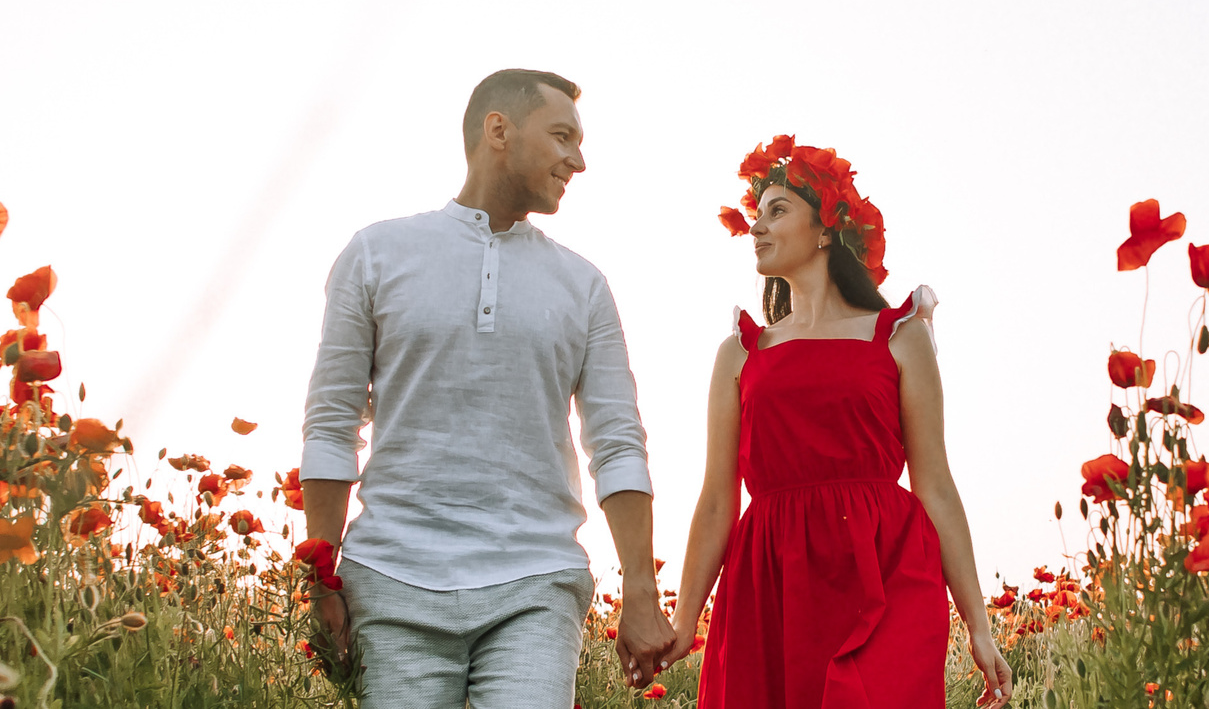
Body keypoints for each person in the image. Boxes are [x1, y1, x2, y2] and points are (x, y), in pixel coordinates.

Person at [298, 68, 678, 706]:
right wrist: (322, 579)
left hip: (535, 583)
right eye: (562, 136)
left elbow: (616, 443)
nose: (578, 160)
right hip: (392, 580)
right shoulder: (376, 254)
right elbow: (332, 424)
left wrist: (640, 591)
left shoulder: (583, 285)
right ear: (498, 130)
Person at [664, 136, 1012, 707]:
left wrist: (979, 624)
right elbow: (716, 501)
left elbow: (936, 487)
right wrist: (684, 618)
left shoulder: (900, 338)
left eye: (778, 210)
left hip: (884, 566)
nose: (758, 226)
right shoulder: (742, 353)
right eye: (758, 213)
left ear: (826, 228)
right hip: (770, 577)